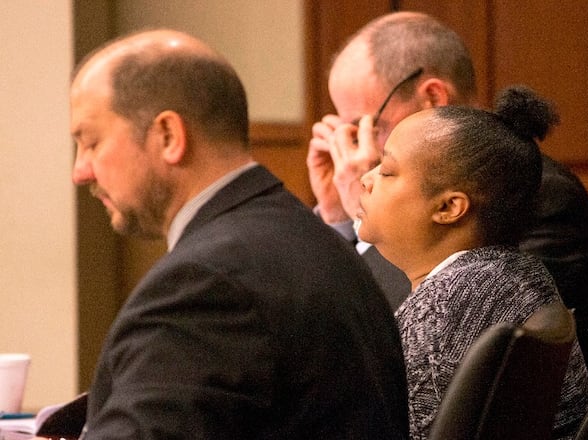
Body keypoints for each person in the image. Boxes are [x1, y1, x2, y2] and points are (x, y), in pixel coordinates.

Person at [69, 29, 407, 439]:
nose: (80, 171)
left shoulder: (209, 284)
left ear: (168, 136)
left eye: (91, 142)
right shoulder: (311, 239)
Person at [307, 11, 588, 385]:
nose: (354, 153)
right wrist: (340, 217)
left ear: (434, 98)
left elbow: (394, 335)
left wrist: (362, 207)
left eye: (368, 127)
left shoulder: (534, 193)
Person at [357, 86, 588, 440]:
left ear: (449, 208)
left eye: (387, 172)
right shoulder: (512, 275)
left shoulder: (446, 310)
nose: (366, 178)